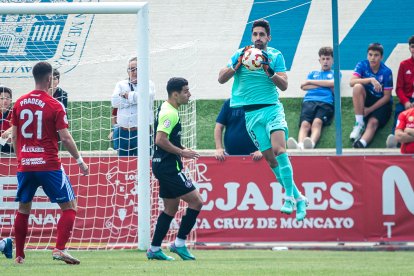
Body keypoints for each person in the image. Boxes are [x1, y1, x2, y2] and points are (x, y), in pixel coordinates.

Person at [217, 19, 308, 221]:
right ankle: (299, 197)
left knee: (279, 150)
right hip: (251, 114)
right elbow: (221, 78)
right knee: (270, 159)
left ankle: (288, 198)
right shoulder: (241, 54)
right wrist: (237, 64)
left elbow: (284, 85)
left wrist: (270, 71)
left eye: (262, 35)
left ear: (268, 38)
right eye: (255, 34)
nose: (258, 38)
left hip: (272, 109)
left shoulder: (275, 56)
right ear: (252, 36)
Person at [11, 61, 89, 265]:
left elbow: (14, 136)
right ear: (48, 79)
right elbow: (65, 138)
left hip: (25, 165)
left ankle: (19, 255)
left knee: (23, 209)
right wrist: (79, 161)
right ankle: (59, 249)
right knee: (70, 207)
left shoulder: (18, 103)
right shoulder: (55, 104)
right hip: (49, 165)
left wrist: (21, 159)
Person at [147, 77, 202, 261]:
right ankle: (179, 244)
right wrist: (181, 152)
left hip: (162, 164)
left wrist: (181, 149)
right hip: (168, 166)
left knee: (171, 208)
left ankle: (154, 249)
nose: (189, 94)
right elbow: (160, 140)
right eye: (186, 91)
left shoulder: (167, 108)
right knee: (196, 202)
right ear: (175, 94)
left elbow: (168, 138)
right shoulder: (169, 113)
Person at [287, 46, 338, 150]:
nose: (325, 61)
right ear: (319, 60)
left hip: (325, 102)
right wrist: (324, 85)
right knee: (305, 124)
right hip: (309, 101)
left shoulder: (335, 74)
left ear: (333, 60)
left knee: (317, 123)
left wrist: (311, 82)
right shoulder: (313, 73)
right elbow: (304, 86)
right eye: (323, 59)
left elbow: (333, 83)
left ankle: (311, 144)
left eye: (328, 59)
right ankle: (300, 145)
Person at [349, 42, 393, 148]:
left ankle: (361, 143)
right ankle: (359, 123)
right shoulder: (362, 64)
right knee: (357, 87)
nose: (372, 58)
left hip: (382, 103)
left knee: (372, 122)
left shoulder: (386, 72)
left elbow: (387, 97)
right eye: (370, 54)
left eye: (376, 55)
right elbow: (351, 82)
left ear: (381, 57)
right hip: (367, 98)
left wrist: (369, 109)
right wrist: (370, 79)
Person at [111, 57, 155, 156]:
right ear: (128, 72)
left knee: (145, 163)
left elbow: (146, 98)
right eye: (131, 69)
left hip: (142, 132)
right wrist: (135, 99)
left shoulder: (149, 84)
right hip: (123, 132)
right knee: (123, 164)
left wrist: (127, 96)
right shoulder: (120, 85)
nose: (134, 72)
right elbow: (115, 102)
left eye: (137, 69)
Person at [386, 35, 414, 148]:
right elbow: (399, 88)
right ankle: (395, 139)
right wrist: (406, 102)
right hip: (406, 101)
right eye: (412, 47)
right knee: (399, 112)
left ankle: (403, 139)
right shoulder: (404, 65)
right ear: (409, 48)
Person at [0, 85, 13, 153]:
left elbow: (17, 125)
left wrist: (8, 131)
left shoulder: (14, 113)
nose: (5, 101)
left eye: (7, 98)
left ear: (11, 100)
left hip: (9, 146)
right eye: (2, 98)